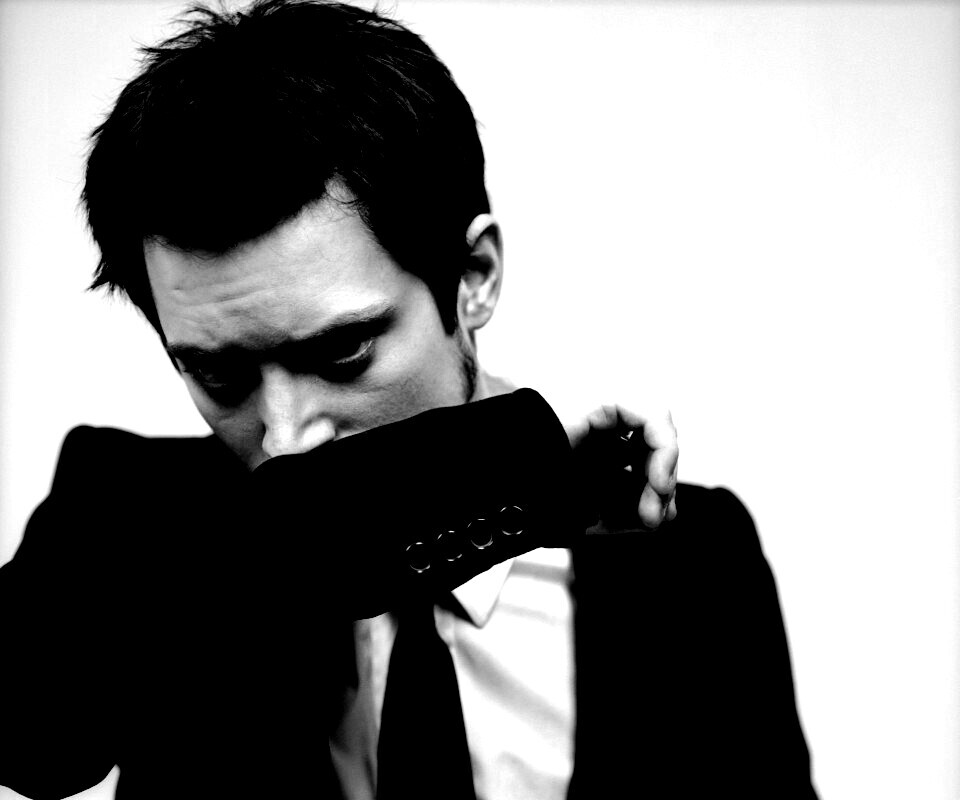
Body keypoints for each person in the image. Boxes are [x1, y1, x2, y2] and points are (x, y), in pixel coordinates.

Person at [0, 1, 817, 798]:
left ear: (475, 278)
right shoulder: (123, 520)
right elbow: (31, 733)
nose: (285, 438)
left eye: (343, 352)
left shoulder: (696, 564)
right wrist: (505, 466)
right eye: (219, 376)